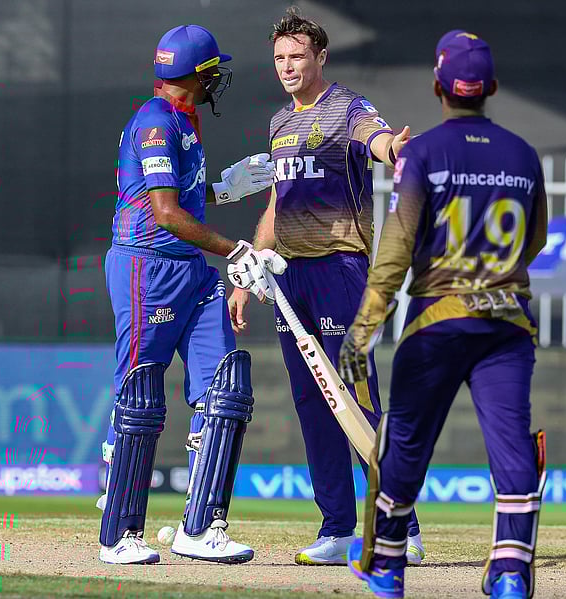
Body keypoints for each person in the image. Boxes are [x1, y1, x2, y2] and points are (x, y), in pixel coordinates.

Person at [339, 31, 549, 599]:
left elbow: (396, 249)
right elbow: (535, 241)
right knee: (510, 445)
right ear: (493, 89)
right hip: (507, 325)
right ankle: (510, 571)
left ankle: (385, 566)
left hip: (438, 320)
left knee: (403, 440)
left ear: (438, 86)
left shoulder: (424, 153)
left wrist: (364, 327)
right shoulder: (523, 156)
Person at [227, 7, 424, 566]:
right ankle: (338, 527)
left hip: (341, 270)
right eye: (279, 59)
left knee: (358, 399)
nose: (287, 67)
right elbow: (275, 202)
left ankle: (400, 526)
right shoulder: (279, 125)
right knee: (313, 403)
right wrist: (249, 269)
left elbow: (377, 138)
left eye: (296, 57)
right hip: (289, 280)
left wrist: (394, 149)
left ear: (320, 58)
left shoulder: (346, 107)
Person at [98, 24, 285, 565]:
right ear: (197, 73)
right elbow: (164, 211)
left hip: (190, 273)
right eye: (213, 70)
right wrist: (235, 250)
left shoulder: (183, 120)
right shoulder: (156, 122)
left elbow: (184, 193)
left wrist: (226, 186)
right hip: (146, 266)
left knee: (226, 387)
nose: (218, 79)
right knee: (140, 395)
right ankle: (120, 532)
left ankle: (200, 527)